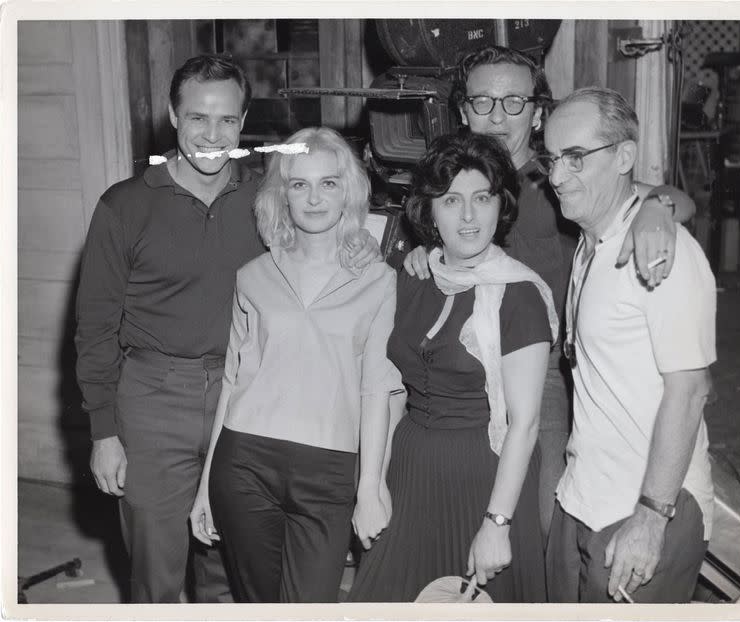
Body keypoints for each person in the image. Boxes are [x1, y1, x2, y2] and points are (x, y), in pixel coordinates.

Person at [74, 55, 378, 603]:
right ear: (172, 115)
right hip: (152, 400)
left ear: (244, 121)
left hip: (243, 404)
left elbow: (329, 235)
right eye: (197, 118)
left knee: (228, 573)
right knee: (157, 571)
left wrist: (400, 252)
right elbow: (95, 329)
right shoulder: (124, 205)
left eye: (227, 121)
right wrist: (104, 432)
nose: (212, 136)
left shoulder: (267, 199)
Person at [403, 45, 697, 542]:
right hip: (459, 378)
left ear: (538, 112)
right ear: (461, 110)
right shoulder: (451, 177)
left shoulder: (560, 179)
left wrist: (658, 207)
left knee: (542, 520)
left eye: (514, 102)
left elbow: (675, 197)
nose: (497, 116)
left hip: (545, 380)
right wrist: (422, 253)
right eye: (483, 102)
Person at [188, 127, 398, 603]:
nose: (314, 198)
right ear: (282, 194)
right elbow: (233, 382)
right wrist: (205, 487)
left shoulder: (380, 281)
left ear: (349, 191)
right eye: (299, 184)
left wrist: (370, 487)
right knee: (259, 605)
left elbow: (375, 390)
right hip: (245, 462)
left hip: (329, 469)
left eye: (329, 183)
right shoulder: (253, 276)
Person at [348, 131, 559, 603]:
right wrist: (372, 485)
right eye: (450, 200)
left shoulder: (518, 293)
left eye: (481, 198)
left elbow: (524, 424)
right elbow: (390, 391)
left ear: (499, 205)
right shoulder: (414, 277)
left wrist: (497, 524)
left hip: (485, 477)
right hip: (411, 471)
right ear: (429, 211)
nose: (468, 217)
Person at [542, 87, 715, 603]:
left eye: (575, 158)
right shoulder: (591, 239)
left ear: (623, 155)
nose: (555, 177)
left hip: (641, 511)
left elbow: (689, 390)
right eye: (552, 160)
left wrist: (652, 515)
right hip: (582, 495)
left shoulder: (662, 251)